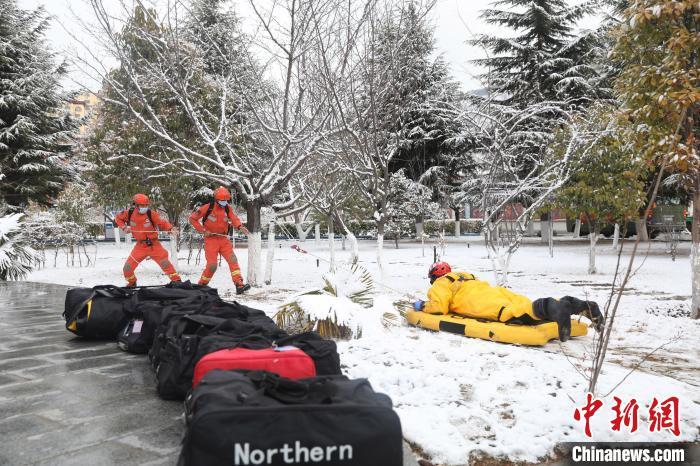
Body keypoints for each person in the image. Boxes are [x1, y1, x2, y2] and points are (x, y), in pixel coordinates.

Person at [413, 262, 604, 342]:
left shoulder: (441, 282)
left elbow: (439, 307)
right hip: (494, 291)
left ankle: (552, 306)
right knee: (523, 305)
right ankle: (574, 304)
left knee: (511, 313)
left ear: (434, 276)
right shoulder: (464, 274)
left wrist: (422, 306)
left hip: (479, 301)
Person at [189, 186, 251, 294]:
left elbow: (234, 218)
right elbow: (192, 219)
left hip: (223, 239)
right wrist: (203, 230)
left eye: (226, 200)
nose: (225, 202)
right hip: (211, 240)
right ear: (217, 200)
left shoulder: (228, 208)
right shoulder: (207, 208)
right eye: (222, 200)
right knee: (212, 265)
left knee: (233, 260)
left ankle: (239, 284)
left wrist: (240, 226)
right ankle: (202, 285)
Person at [115, 193, 181, 287]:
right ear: (136, 205)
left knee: (165, 264)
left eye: (146, 205)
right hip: (140, 246)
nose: (145, 207)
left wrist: (171, 229)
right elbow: (118, 218)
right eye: (142, 205)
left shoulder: (151, 214)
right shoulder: (129, 213)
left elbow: (162, 223)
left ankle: (177, 283)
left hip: (154, 245)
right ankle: (132, 283)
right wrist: (124, 227)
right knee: (127, 268)